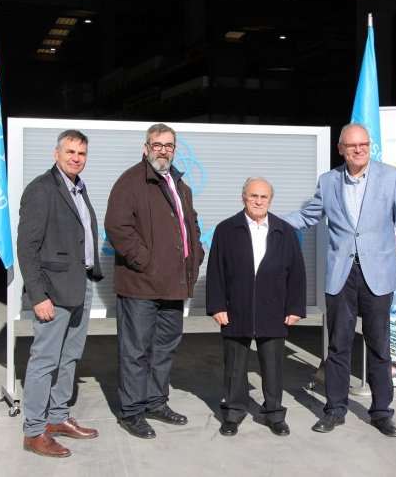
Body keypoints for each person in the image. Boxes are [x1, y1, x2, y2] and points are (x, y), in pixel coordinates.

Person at [281, 123, 396, 437]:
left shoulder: (391, 176)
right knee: (338, 346)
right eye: (352, 146)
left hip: (378, 275)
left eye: (364, 145)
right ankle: (334, 410)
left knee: (379, 348)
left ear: (369, 147)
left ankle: (382, 413)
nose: (359, 150)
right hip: (341, 275)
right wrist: (268, 218)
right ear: (341, 149)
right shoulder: (329, 181)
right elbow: (308, 216)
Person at [105, 123, 205, 439]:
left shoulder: (178, 184)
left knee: (164, 348)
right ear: (146, 146)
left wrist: (196, 253)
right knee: (135, 350)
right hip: (141, 285)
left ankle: (156, 402)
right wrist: (146, 262)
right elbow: (117, 228)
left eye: (169, 145)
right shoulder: (131, 182)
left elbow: (193, 225)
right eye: (158, 144)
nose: (164, 150)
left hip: (174, 285)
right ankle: (132, 411)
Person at [17, 130, 103, 457]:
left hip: (81, 285)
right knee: (45, 361)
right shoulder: (41, 190)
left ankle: (57, 417)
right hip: (53, 291)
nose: (75, 158)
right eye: (70, 152)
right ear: (56, 153)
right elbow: (27, 247)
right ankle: (34, 431)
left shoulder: (79, 187)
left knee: (69, 357)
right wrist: (38, 295)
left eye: (81, 153)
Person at [206, 177, 306, 437]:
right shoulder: (226, 229)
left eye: (264, 197)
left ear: (270, 200)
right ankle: (233, 413)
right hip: (235, 309)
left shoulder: (284, 231)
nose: (259, 201)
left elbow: (297, 273)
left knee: (273, 367)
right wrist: (217, 306)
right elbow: (216, 271)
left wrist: (294, 307)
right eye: (253, 196)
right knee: (235, 367)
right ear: (244, 198)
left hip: (273, 309)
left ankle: (274, 414)